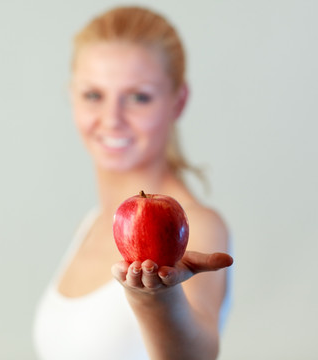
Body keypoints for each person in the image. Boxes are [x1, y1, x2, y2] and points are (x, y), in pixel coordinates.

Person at [33, 5, 233, 360]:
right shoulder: (94, 221)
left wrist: (157, 298)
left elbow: (198, 353)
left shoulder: (195, 225)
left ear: (178, 101)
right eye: (93, 95)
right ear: (72, 97)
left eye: (139, 97)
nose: (111, 119)